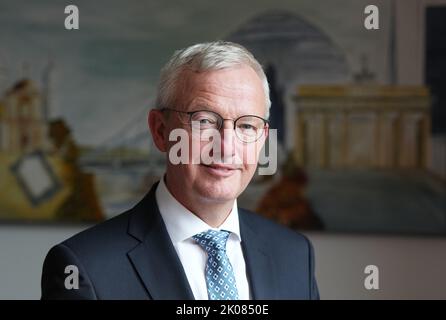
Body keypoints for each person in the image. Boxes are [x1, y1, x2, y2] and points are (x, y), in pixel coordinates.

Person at [41, 41, 319, 300]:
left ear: (262, 139)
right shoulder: (83, 267)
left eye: (246, 126)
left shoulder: (295, 255)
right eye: (204, 121)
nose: (226, 146)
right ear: (160, 131)